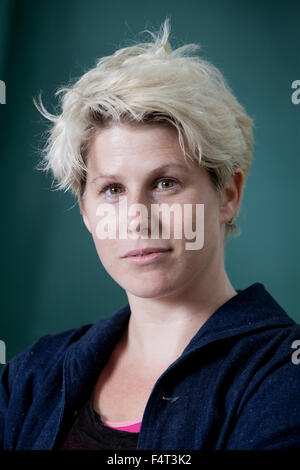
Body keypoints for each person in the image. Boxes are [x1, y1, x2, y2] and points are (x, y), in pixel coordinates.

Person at [0, 18, 300, 451]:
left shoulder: (283, 377)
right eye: (112, 189)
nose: (137, 217)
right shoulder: (30, 376)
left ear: (228, 194)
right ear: (85, 209)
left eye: (165, 183)